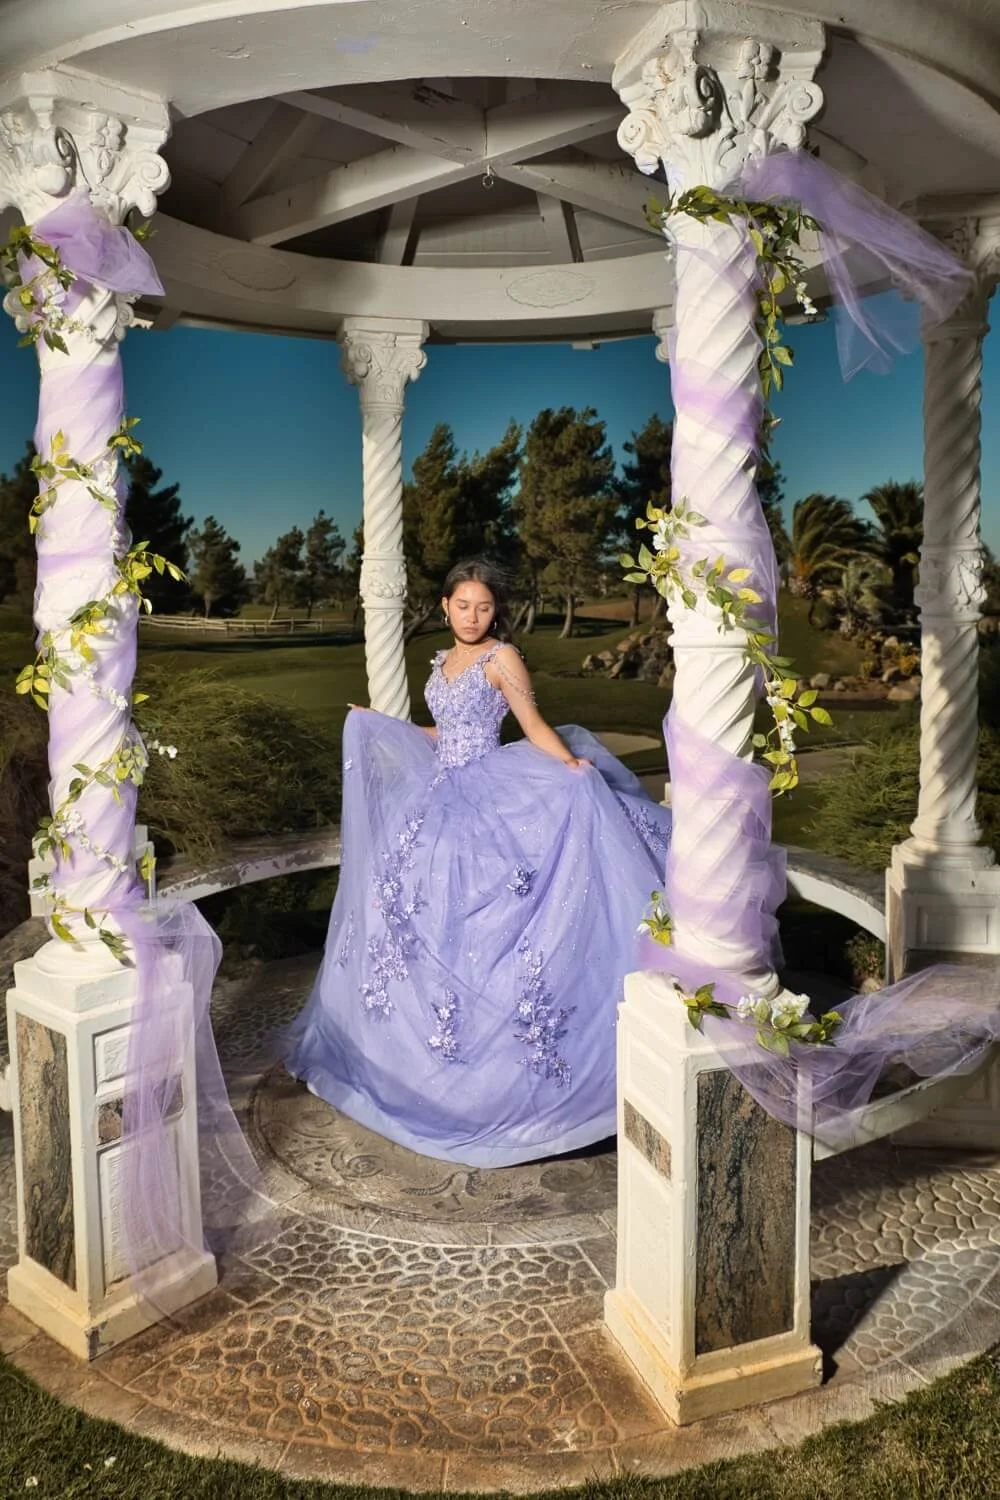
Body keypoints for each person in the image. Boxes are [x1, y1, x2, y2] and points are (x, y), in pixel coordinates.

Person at [284, 559, 672, 1166]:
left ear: (496, 611)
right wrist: (383, 728)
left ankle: (491, 1084)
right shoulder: (443, 661)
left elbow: (532, 725)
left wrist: (572, 769)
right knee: (407, 909)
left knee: (483, 917)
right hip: (440, 795)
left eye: (483, 607)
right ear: (444, 607)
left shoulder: (502, 658)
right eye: (462, 606)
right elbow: (446, 732)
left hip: (489, 793)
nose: (472, 616)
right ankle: (406, 1064)